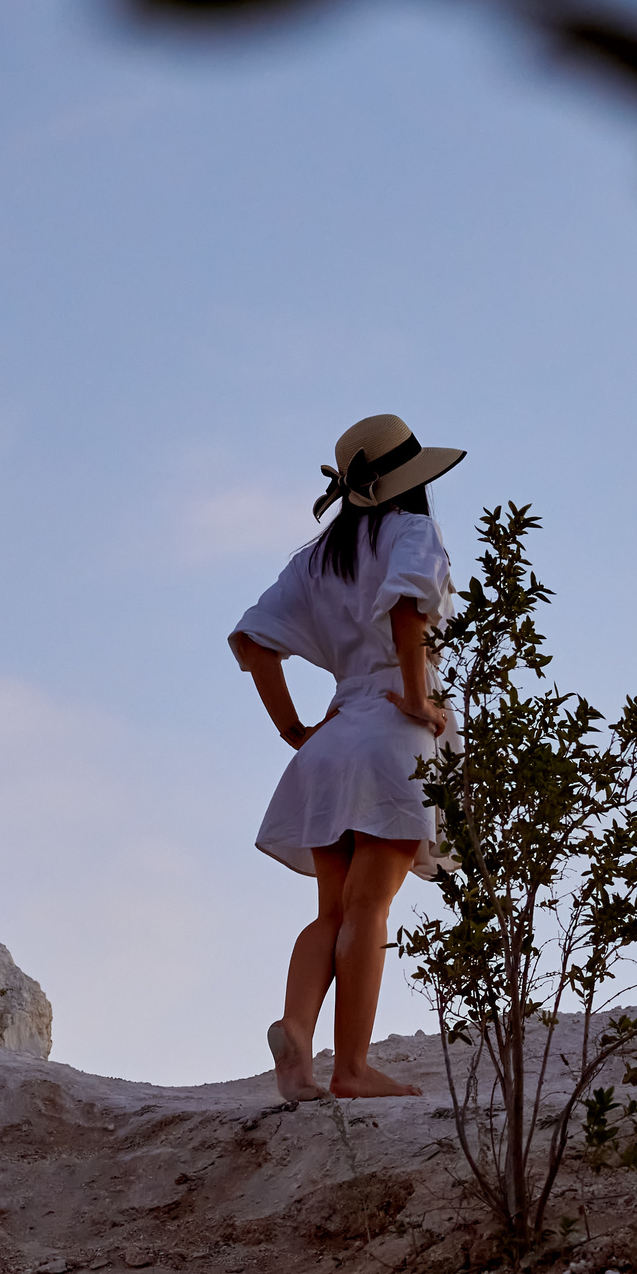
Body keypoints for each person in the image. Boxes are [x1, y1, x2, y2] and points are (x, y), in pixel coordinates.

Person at [228, 414, 465, 1103]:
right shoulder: (414, 532)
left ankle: (297, 1040)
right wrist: (419, 701)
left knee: (331, 909)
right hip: (392, 733)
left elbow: (252, 643)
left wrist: (294, 730)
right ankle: (352, 1068)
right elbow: (407, 613)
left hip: (332, 741)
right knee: (370, 906)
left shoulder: (315, 558)